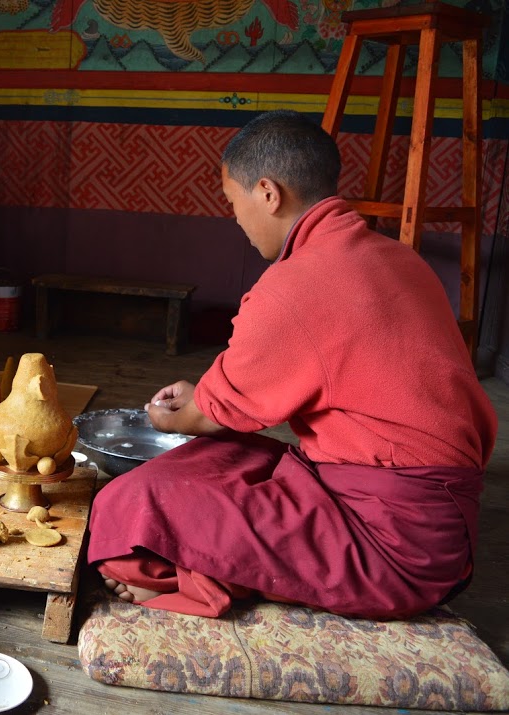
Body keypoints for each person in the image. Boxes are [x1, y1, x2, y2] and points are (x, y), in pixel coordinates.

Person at [87, 109, 497, 620]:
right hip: (425, 512)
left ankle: (192, 576)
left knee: (132, 501)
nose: (236, 219)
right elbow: (244, 391)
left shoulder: (295, 286)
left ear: (267, 192)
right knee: (224, 460)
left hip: (396, 549)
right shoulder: (397, 258)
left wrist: (170, 415)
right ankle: (212, 565)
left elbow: (206, 417)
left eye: (233, 203)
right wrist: (206, 395)